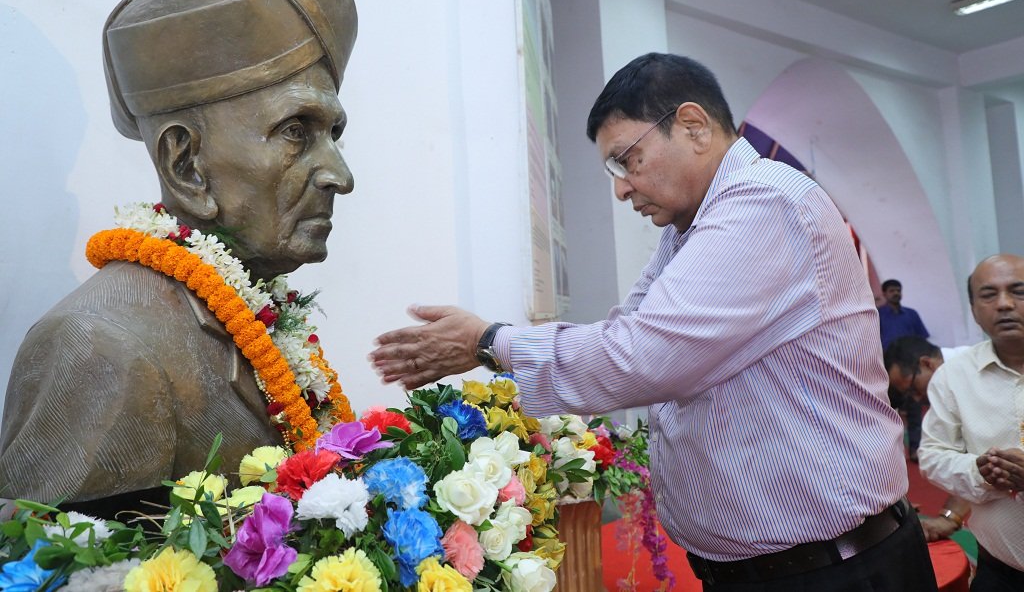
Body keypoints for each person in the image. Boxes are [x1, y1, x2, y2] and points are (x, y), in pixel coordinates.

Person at [371, 53, 936, 590]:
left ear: (692, 126)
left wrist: (490, 342)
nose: (620, 188)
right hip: (774, 568)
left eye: (627, 159)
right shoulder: (687, 231)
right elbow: (629, 334)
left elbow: (642, 357)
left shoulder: (764, 204)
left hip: (831, 571)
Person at [0, 0, 357, 515]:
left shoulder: (251, 314)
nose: (341, 176)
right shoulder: (101, 346)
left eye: (333, 133)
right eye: (296, 131)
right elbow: (53, 566)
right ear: (186, 165)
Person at [919, 254, 1024, 590]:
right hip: (1001, 574)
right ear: (974, 309)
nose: (1005, 304)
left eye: (1018, 291)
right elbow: (933, 455)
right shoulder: (954, 376)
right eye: (989, 294)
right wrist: (981, 472)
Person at [883, 336, 971, 542]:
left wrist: (948, 518)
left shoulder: (973, 372)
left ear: (926, 363)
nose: (915, 398)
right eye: (907, 394)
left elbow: (985, 457)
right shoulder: (949, 385)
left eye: (913, 388)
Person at [878, 278, 931, 462]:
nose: (896, 293)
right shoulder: (877, 315)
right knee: (886, 412)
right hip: (887, 372)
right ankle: (887, 452)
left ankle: (915, 449)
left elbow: (922, 340)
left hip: (911, 372)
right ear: (884, 294)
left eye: (898, 290)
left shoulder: (911, 315)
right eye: (892, 290)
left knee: (915, 410)